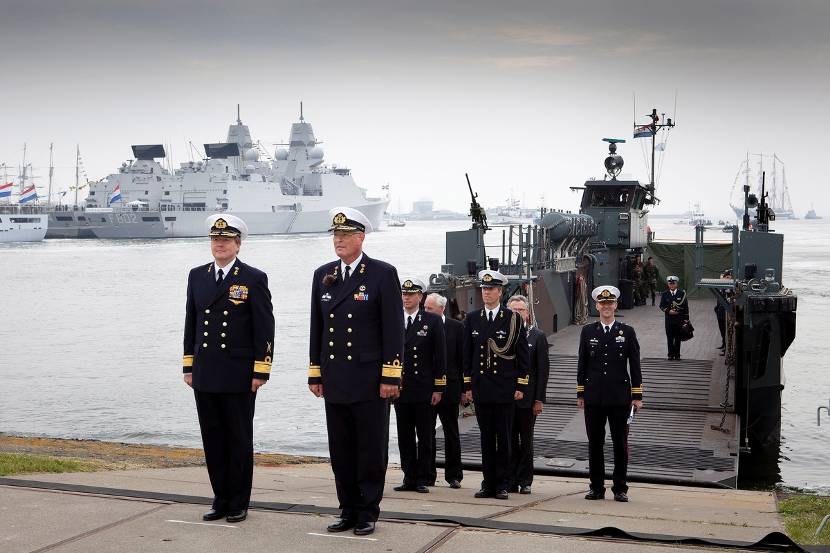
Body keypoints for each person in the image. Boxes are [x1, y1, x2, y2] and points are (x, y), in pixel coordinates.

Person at [307, 207, 404, 536]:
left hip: (369, 380)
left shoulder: (381, 273)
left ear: (361, 237)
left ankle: (367, 510)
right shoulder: (324, 274)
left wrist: (391, 376)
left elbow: (393, 329)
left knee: (370, 448)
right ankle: (347, 508)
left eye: (345, 235)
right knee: (341, 449)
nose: (339, 240)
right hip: (335, 379)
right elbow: (316, 329)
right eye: (336, 235)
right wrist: (315, 373)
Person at [182, 214, 275, 523]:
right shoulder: (197, 275)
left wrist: (261, 370)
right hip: (205, 371)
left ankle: (238, 501)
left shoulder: (253, 277)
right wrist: (188, 365)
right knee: (212, 437)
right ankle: (220, 498)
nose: (219, 244)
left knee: (237, 438)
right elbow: (191, 323)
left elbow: (264, 328)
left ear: (238, 244)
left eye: (225, 240)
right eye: (214, 239)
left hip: (238, 374)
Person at [463, 269, 529, 500]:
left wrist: (521, 385)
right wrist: (467, 385)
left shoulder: (512, 319)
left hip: (504, 387)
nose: (486, 292)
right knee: (486, 438)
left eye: (491, 289)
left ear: (500, 292)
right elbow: (467, 355)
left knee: (504, 438)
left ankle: (503, 483)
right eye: (484, 289)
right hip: (481, 388)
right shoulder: (472, 319)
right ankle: (487, 483)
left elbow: (522, 355)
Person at [576, 285, 643, 502]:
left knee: (619, 444)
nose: (606, 307)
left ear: (615, 305)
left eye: (610, 303)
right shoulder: (588, 331)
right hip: (594, 397)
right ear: (597, 305)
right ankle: (596, 487)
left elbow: (634, 365)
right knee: (595, 443)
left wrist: (637, 395)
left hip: (619, 398)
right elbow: (582, 363)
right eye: (602, 303)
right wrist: (580, 393)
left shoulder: (627, 332)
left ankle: (620, 488)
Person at [393, 277, 446, 494]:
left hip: (424, 387)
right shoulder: (394, 319)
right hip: (401, 388)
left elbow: (439, 356)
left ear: (420, 297)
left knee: (424, 436)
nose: (406, 298)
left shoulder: (431, 321)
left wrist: (439, 387)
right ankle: (409, 476)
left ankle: (423, 477)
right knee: (404, 436)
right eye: (404, 294)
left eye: (411, 294)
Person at [506, 295, 550, 495]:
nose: (516, 313)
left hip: (528, 399)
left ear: (527, 313)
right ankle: (510, 478)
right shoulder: (501, 334)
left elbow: (542, 371)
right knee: (508, 440)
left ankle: (525, 480)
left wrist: (539, 399)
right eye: (513, 309)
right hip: (505, 398)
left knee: (526, 440)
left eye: (521, 310)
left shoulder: (537, 336)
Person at [424, 292, 464, 489]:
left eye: (429, 308)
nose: (426, 311)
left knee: (451, 433)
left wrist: (466, 389)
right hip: (426, 387)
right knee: (426, 433)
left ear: (441, 309)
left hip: (450, 387)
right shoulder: (420, 325)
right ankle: (427, 474)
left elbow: (462, 359)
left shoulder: (456, 327)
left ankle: (454, 475)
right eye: (424, 308)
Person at [660, 276, 689, 360]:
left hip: (679, 319)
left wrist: (686, 319)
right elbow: (661, 305)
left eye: (673, 284)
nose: (672, 285)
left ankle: (677, 355)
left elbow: (686, 307)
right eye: (670, 284)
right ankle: (670, 354)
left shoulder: (682, 294)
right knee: (669, 338)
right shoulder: (665, 294)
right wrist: (669, 311)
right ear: (668, 284)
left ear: (677, 284)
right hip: (669, 320)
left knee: (677, 338)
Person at [714, 269, 733, 356]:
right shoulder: (721, 287)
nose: (723, 280)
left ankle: (726, 348)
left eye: (726, 277)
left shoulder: (730, 288)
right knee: (722, 329)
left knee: (727, 330)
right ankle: (723, 344)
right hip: (720, 312)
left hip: (726, 313)